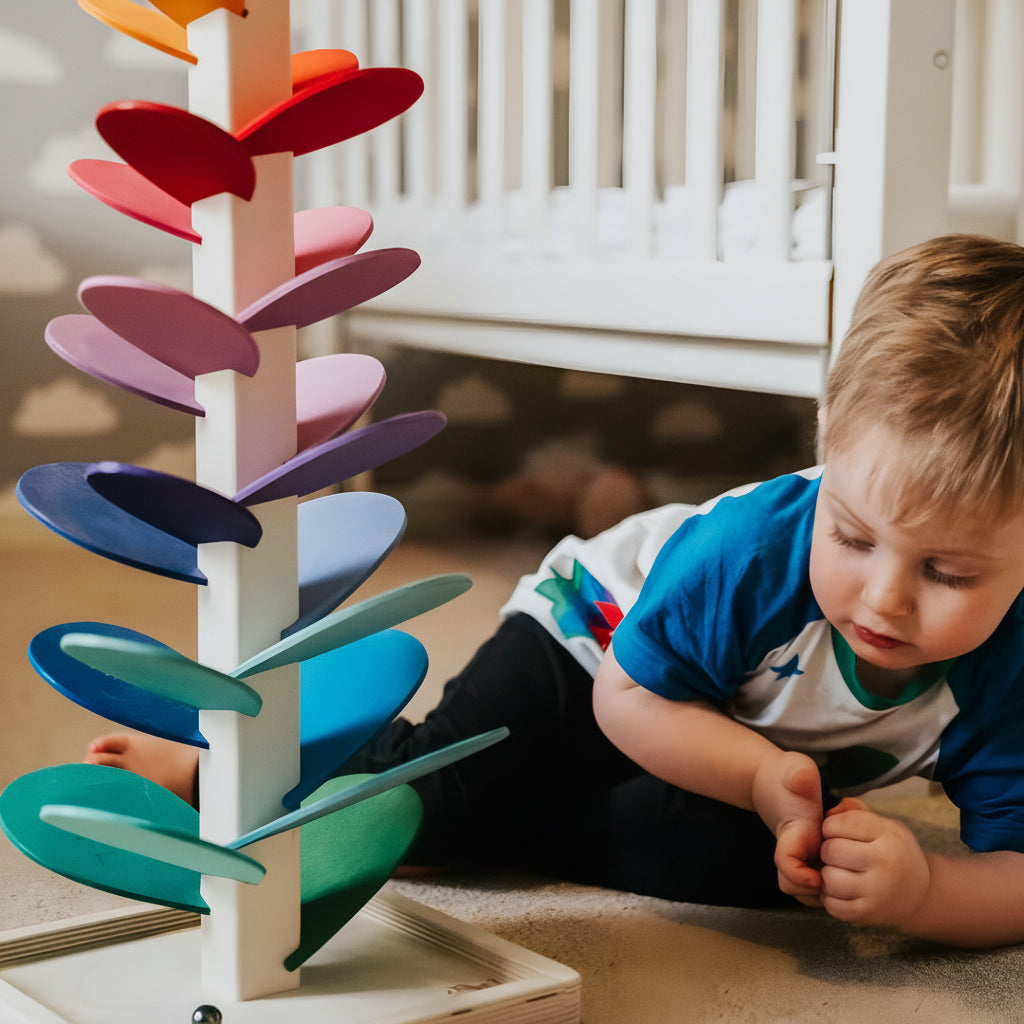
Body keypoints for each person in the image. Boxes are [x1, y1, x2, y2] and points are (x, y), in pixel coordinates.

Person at [88, 234, 1024, 948]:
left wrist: (926, 895)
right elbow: (632, 696)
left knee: (764, 874)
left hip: (735, 735)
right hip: (594, 645)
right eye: (853, 536)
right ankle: (225, 757)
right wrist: (752, 774)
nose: (887, 598)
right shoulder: (748, 555)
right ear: (827, 450)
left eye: (947, 572)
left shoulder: (1009, 667)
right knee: (432, 799)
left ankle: (525, 813)